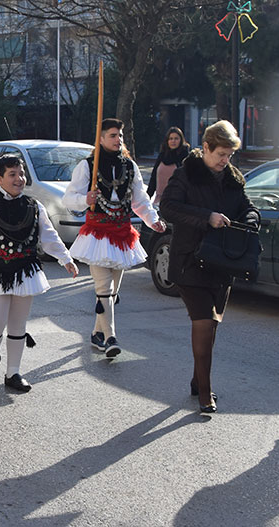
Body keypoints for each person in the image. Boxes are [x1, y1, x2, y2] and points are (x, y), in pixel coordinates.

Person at [161, 120, 259, 414]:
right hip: (190, 260)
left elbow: (248, 206)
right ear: (205, 148)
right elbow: (168, 207)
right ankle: (205, 392)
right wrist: (207, 216)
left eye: (229, 156)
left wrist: (252, 218)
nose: (224, 161)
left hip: (221, 262)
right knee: (203, 324)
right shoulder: (186, 174)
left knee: (212, 326)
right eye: (220, 155)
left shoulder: (232, 177)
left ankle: (196, 378)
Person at [0, 154, 78, 392]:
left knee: (18, 325)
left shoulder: (34, 206)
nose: (19, 179)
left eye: (21, 173)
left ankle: (13, 373)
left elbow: (49, 237)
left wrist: (65, 258)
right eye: (12, 174)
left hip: (24, 271)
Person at [62, 117, 166, 357]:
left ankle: (97, 333)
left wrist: (153, 220)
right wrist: (84, 200)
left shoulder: (130, 166)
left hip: (122, 233)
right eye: (112, 135)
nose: (118, 139)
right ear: (100, 139)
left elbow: (139, 199)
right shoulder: (88, 166)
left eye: (120, 136)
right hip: (97, 234)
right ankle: (110, 338)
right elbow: (69, 198)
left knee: (112, 293)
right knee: (103, 289)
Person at [147, 126, 190, 206]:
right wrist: (147, 197)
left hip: (178, 201)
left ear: (181, 140)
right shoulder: (162, 155)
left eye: (176, 138)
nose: (173, 141)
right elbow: (153, 178)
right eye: (171, 138)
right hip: (159, 200)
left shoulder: (184, 156)